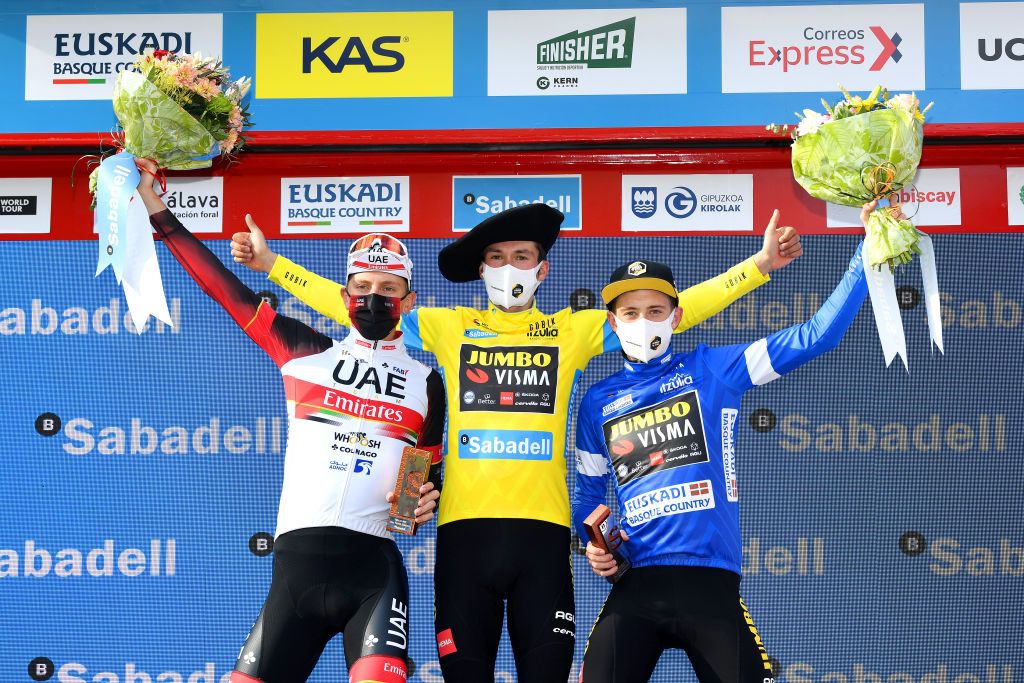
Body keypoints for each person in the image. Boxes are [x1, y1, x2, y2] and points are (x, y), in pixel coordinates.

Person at [230, 202, 802, 682]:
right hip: (464, 536)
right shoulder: (449, 326)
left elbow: (675, 308)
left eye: (521, 258)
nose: (510, 268)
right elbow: (360, 303)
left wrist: (759, 266)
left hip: (543, 539)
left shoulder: (571, 331)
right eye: (497, 260)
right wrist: (273, 264)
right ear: (482, 271)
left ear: (542, 270)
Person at [133, 159, 445, 683]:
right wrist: (157, 211)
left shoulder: (427, 382)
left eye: (388, 289)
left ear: (408, 301)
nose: (374, 297)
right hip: (295, 572)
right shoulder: (304, 351)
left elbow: (414, 496)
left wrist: (415, 509)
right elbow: (223, 289)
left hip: (374, 574)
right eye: (363, 285)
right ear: (345, 296)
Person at [573, 202, 881, 683]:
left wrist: (868, 248)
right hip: (636, 585)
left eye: (655, 310)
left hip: (711, 586)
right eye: (629, 312)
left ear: (676, 317)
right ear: (612, 324)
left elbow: (817, 336)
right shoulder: (596, 401)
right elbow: (588, 498)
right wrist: (595, 546)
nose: (642, 321)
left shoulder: (714, 369)